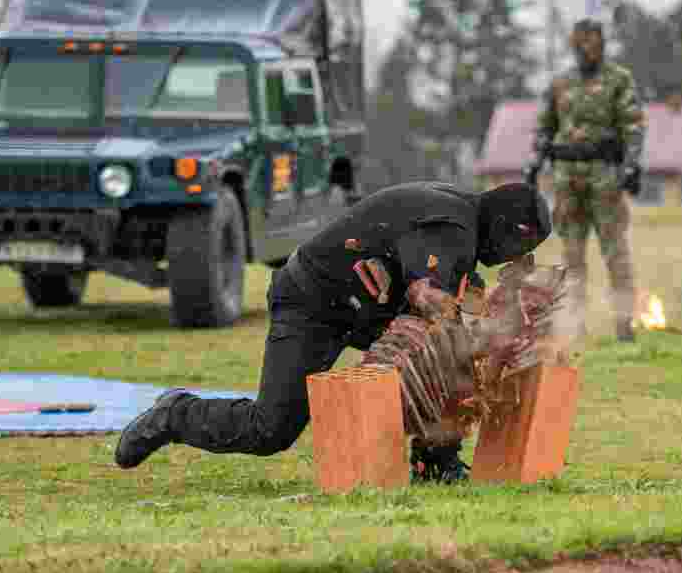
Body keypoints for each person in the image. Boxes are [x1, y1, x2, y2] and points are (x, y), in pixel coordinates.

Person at [114, 181, 552, 482]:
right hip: (312, 305)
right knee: (269, 431)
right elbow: (429, 300)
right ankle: (174, 413)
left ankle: (435, 463)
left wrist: (505, 318)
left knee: (455, 349)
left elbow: (458, 292)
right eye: (520, 247)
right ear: (505, 229)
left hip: (361, 306)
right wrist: (483, 340)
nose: (515, 258)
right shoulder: (452, 227)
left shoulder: (464, 222)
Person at [535, 18, 647, 342]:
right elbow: (544, 126)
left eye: (593, 42)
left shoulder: (618, 80)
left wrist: (632, 165)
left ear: (602, 44)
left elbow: (633, 126)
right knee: (571, 257)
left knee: (615, 253)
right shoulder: (560, 83)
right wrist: (535, 161)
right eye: (581, 43)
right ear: (574, 45)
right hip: (567, 178)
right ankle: (574, 328)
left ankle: (625, 326)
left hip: (605, 177)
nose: (587, 49)